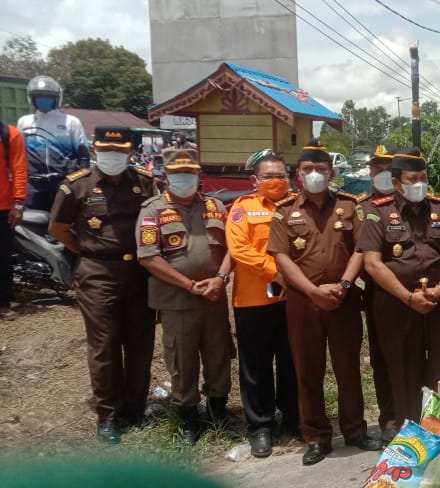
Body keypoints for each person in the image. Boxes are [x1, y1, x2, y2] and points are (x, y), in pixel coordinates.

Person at [267, 141, 382, 465]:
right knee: (307, 370)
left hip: (344, 299)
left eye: (321, 169)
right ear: (298, 174)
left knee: (347, 368)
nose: (315, 175)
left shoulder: (349, 206)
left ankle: (355, 430)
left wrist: (345, 284)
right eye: (308, 170)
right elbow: (281, 257)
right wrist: (312, 290)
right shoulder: (285, 210)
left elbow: (361, 248)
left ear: (331, 172)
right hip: (303, 302)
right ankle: (316, 436)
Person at [47, 127, 153, 444]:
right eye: (105, 150)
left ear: (130, 153)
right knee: (104, 346)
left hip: (138, 271)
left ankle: (136, 407)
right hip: (97, 273)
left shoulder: (144, 182)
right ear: (95, 150)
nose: (112, 156)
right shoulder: (77, 185)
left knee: (140, 343)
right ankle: (108, 415)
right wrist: (87, 251)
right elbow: (58, 228)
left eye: (119, 151)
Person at [136, 148, 235, 446]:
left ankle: (219, 412)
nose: (184, 178)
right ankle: (189, 419)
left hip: (214, 297)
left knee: (219, 356)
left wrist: (220, 279)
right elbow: (149, 257)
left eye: (189, 173)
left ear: (198, 175)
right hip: (177, 302)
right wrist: (190, 285)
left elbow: (234, 247)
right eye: (177, 174)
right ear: (166, 176)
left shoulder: (216, 206)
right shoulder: (152, 210)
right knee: (182, 360)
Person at [358, 147, 440, 430]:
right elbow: (374, 264)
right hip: (396, 303)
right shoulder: (378, 212)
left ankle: (439, 425)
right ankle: (406, 426)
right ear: (397, 183)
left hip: (439, 301)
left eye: (424, 177)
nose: (420, 184)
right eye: (413, 179)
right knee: (401, 366)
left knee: (439, 364)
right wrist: (408, 297)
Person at [225, 150, 300, 457]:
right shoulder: (243, 208)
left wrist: (293, 279)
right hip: (253, 301)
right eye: (268, 176)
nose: (275, 181)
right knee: (255, 367)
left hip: (294, 298)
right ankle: (261, 427)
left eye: (281, 176)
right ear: (254, 180)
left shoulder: (299, 205)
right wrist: (278, 273)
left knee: (293, 362)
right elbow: (239, 249)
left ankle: (294, 419)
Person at [355, 143, 396, 443]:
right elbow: (350, 251)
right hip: (378, 294)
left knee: (415, 358)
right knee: (383, 359)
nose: (383, 174)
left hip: (418, 293)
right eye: (377, 169)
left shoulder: (414, 203)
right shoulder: (360, 207)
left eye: (388, 169)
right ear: (370, 173)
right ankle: (389, 419)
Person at [16, 75, 89, 211]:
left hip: (63, 182)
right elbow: (19, 153)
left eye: (48, 96)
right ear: (32, 98)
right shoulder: (24, 122)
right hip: (34, 183)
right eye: (39, 96)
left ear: (56, 98)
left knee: (62, 221)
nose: (43, 100)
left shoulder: (71, 121)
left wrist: (82, 182)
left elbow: (83, 154)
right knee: (30, 222)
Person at [0, 120, 28, 319]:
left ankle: (3, 302)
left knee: (2, 257)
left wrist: (18, 204)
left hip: (3, 206)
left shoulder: (10, 134)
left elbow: (19, 168)